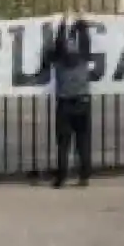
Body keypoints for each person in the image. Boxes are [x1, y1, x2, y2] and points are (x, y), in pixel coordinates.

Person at [41, 14, 92, 187]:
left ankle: (61, 177)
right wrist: (80, 23)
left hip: (64, 103)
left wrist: (62, 24)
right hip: (83, 102)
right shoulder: (83, 56)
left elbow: (57, 46)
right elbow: (85, 40)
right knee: (83, 140)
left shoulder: (59, 58)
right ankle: (84, 176)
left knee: (63, 143)